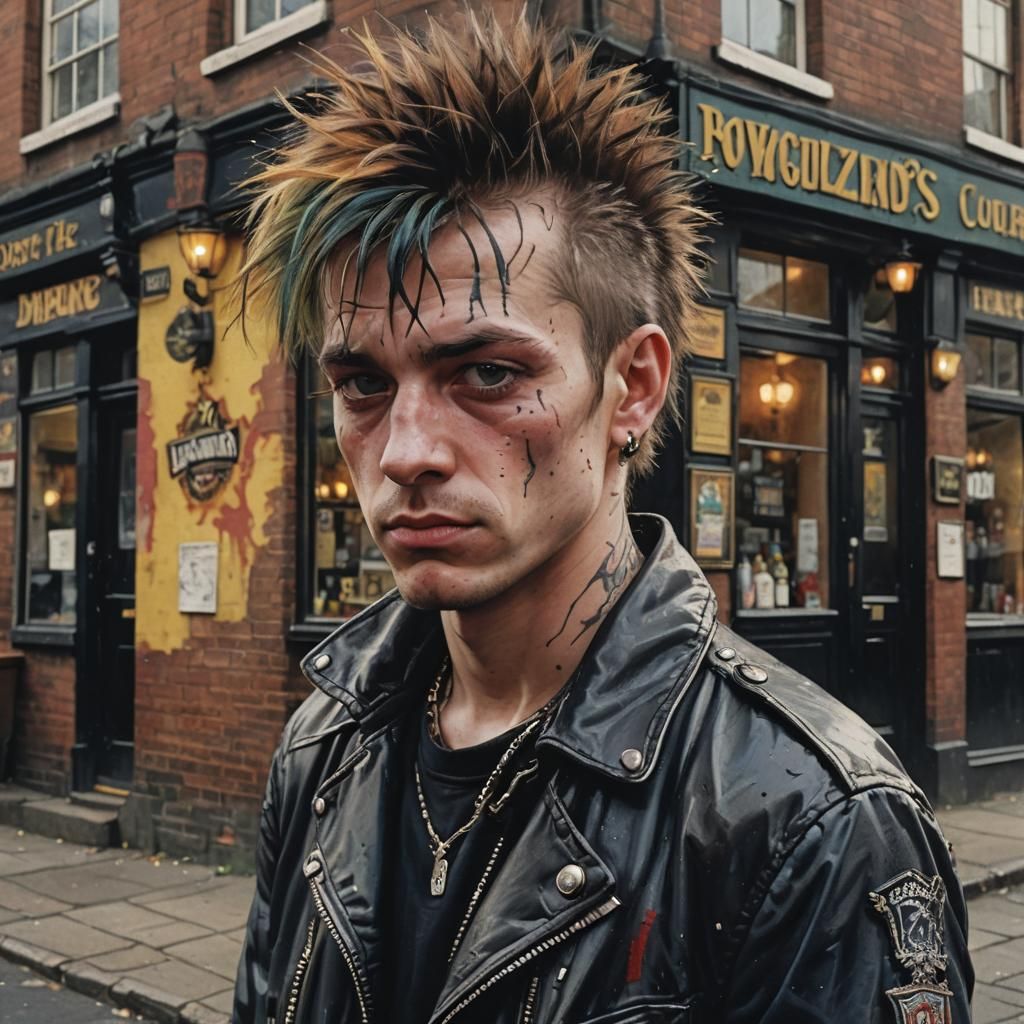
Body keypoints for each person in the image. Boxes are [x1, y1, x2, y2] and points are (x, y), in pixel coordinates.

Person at [232, 11, 972, 1023]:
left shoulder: (810, 822)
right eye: (362, 384)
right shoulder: (322, 749)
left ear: (633, 388)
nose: (405, 452)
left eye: (487, 373)